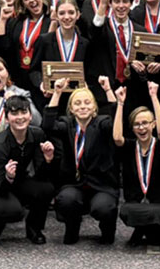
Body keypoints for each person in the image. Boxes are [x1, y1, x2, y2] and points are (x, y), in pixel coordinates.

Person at [0, 95, 59, 247]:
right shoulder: (0, 143)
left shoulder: (37, 134)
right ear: (6, 119)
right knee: (14, 211)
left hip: (16, 179)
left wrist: (48, 159)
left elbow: (41, 175)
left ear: (30, 116)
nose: (20, 117)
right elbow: (0, 185)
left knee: (46, 189)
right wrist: (8, 177)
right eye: (14, 113)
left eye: (23, 112)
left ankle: (34, 228)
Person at [44, 76, 121, 244]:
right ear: (71, 108)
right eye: (77, 103)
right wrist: (57, 93)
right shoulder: (67, 124)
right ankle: (73, 226)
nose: (83, 106)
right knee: (65, 200)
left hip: (101, 184)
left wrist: (108, 90)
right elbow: (48, 125)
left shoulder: (102, 123)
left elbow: (117, 119)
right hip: (74, 183)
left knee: (104, 208)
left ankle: (108, 228)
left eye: (87, 102)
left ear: (94, 107)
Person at [113, 82, 160, 249]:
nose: (142, 128)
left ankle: (144, 230)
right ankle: (143, 228)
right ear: (132, 128)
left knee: (159, 221)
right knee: (126, 211)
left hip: (159, 202)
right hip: (136, 202)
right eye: (137, 124)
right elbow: (117, 137)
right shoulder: (130, 147)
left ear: (152, 124)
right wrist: (120, 103)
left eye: (145, 123)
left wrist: (154, 96)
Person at [29, 0, 88, 99]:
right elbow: (34, 71)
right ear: (56, 15)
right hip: (51, 98)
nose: (66, 17)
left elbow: (87, 73)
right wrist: (41, 84)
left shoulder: (85, 44)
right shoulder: (44, 40)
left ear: (78, 15)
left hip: (76, 100)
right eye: (62, 13)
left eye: (71, 12)